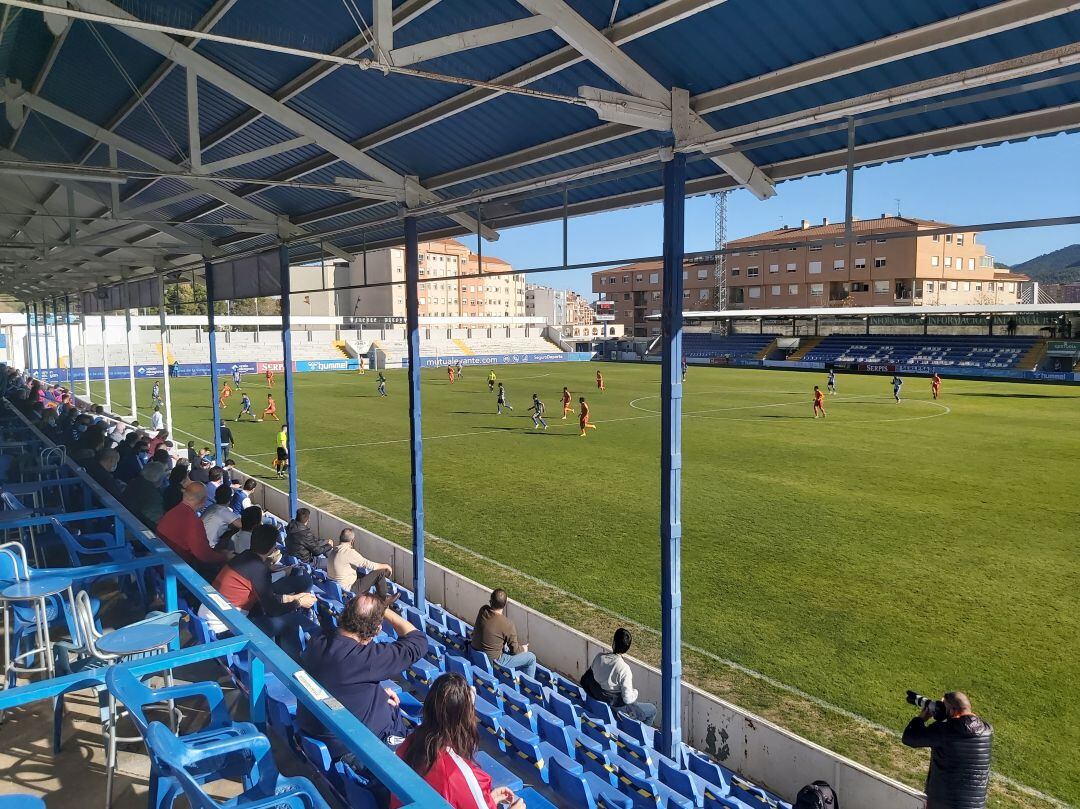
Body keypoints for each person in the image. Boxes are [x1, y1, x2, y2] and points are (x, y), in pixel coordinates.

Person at [299, 593, 426, 769]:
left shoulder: (318, 641)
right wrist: (385, 610)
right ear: (377, 630)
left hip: (325, 735)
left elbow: (346, 683)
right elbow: (418, 641)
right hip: (363, 752)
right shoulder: (364, 659)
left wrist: (380, 697)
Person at [392, 673, 524, 809]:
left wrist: (488, 800)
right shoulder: (458, 774)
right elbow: (454, 787)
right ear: (464, 720)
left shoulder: (410, 742)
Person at [201, 523, 317, 661]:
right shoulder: (258, 569)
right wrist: (299, 602)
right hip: (225, 631)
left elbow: (264, 599)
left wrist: (292, 599)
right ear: (273, 547)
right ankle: (295, 667)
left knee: (283, 617)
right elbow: (272, 610)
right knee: (292, 620)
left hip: (213, 620)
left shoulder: (243, 557)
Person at [902, 692, 992, 809]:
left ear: (952, 710)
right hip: (976, 805)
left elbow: (909, 738)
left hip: (945, 803)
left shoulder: (945, 731)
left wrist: (920, 719)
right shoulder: (987, 730)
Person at [582, 628, 657, 726]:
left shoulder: (599, 657)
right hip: (615, 708)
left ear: (613, 642)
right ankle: (641, 736)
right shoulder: (624, 669)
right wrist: (635, 692)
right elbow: (628, 699)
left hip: (600, 702)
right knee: (652, 709)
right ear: (627, 647)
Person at [156, 482, 227, 579]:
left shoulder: (172, 512)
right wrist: (224, 556)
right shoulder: (193, 521)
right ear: (203, 500)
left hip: (161, 562)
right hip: (174, 571)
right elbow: (204, 555)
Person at [471, 588, 535, 678]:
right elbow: (515, 651)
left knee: (504, 647)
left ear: (490, 601)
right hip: (494, 662)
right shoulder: (508, 624)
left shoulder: (483, 610)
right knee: (531, 657)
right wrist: (523, 649)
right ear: (505, 604)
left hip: (476, 654)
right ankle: (529, 688)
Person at [327, 528, 394, 596]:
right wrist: (386, 566)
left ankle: (376, 596)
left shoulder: (334, 551)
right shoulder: (349, 552)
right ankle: (383, 601)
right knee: (380, 572)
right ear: (352, 541)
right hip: (348, 590)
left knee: (362, 574)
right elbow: (369, 565)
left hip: (336, 588)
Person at [121, 461, 168, 528]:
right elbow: (156, 520)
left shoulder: (134, 482)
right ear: (158, 479)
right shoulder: (152, 495)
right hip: (135, 529)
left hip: (126, 521)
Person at [202, 484, 242, 548]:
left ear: (215, 497)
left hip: (200, 544)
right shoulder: (223, 511)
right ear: (231, 498)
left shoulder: (210, 508)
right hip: (210, 547)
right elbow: (244, 526)